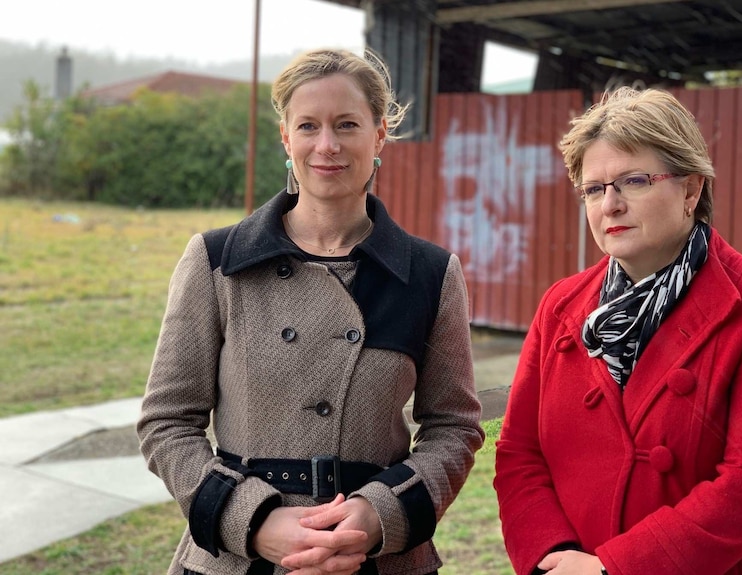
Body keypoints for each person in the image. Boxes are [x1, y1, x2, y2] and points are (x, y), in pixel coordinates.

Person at [138, 48, 484, 575]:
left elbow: (454, 428)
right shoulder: (217, 261)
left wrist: (377, 517)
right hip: (236, 560)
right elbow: (167, 422)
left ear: (379, 135)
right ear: (286, 137)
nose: (327, 145)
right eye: (308, 126)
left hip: (379, 559)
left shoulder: (430, 274)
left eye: (347, 124)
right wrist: (253, 521)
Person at [494, 87, 742, 575]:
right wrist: (549, 556)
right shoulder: (560, 306)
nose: (610, 205)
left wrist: (613, 568)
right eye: (593, 188)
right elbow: (520, 452)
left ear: (691, 189)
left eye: (634, 181)